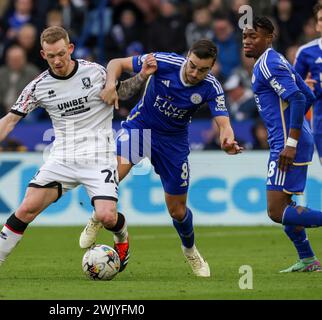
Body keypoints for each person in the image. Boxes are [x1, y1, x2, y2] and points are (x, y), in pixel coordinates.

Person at [0, 26, 144, 279]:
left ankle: (122, 238)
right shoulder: (38, 86)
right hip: (62, 159)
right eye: (51, 56)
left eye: (62, 53)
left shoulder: (94, 72)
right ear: (43, 54)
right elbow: (10, 119)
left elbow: (121, 92)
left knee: (106, 216)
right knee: (27, 208)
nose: (58, 60)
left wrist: (142, 76)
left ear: (70, 48)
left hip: (98, 157)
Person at [80, 39, 243, 278]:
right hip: (141, 128)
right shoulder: (164, 62)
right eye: (193, 65)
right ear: (187, 56)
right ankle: (97, 216)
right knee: (114, 174)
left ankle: (190, 251)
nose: (195, 73)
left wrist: (227, 140)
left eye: (203, 69)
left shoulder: (211, 87)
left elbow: (224, 123)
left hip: (173, 142)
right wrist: (111, 85)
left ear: (212, 67)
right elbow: (116, 63)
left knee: (177, 211)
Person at [243, 16, 322, 272]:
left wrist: (291, 140)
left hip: (287, 145)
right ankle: (308, 259)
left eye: (253, 36)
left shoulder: (268, 63)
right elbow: (308, 95)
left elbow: (298, 99)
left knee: (276, 210)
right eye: (245, 36)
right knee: (286, 205)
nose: (247, 41)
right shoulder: (276, 60)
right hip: (291, 141)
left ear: (269, 37)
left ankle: (309, 259)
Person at [294, 3, 322, 165]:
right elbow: (291, 88)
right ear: (317, 26)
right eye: (321, 19)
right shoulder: (306, 53)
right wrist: (304, 88)